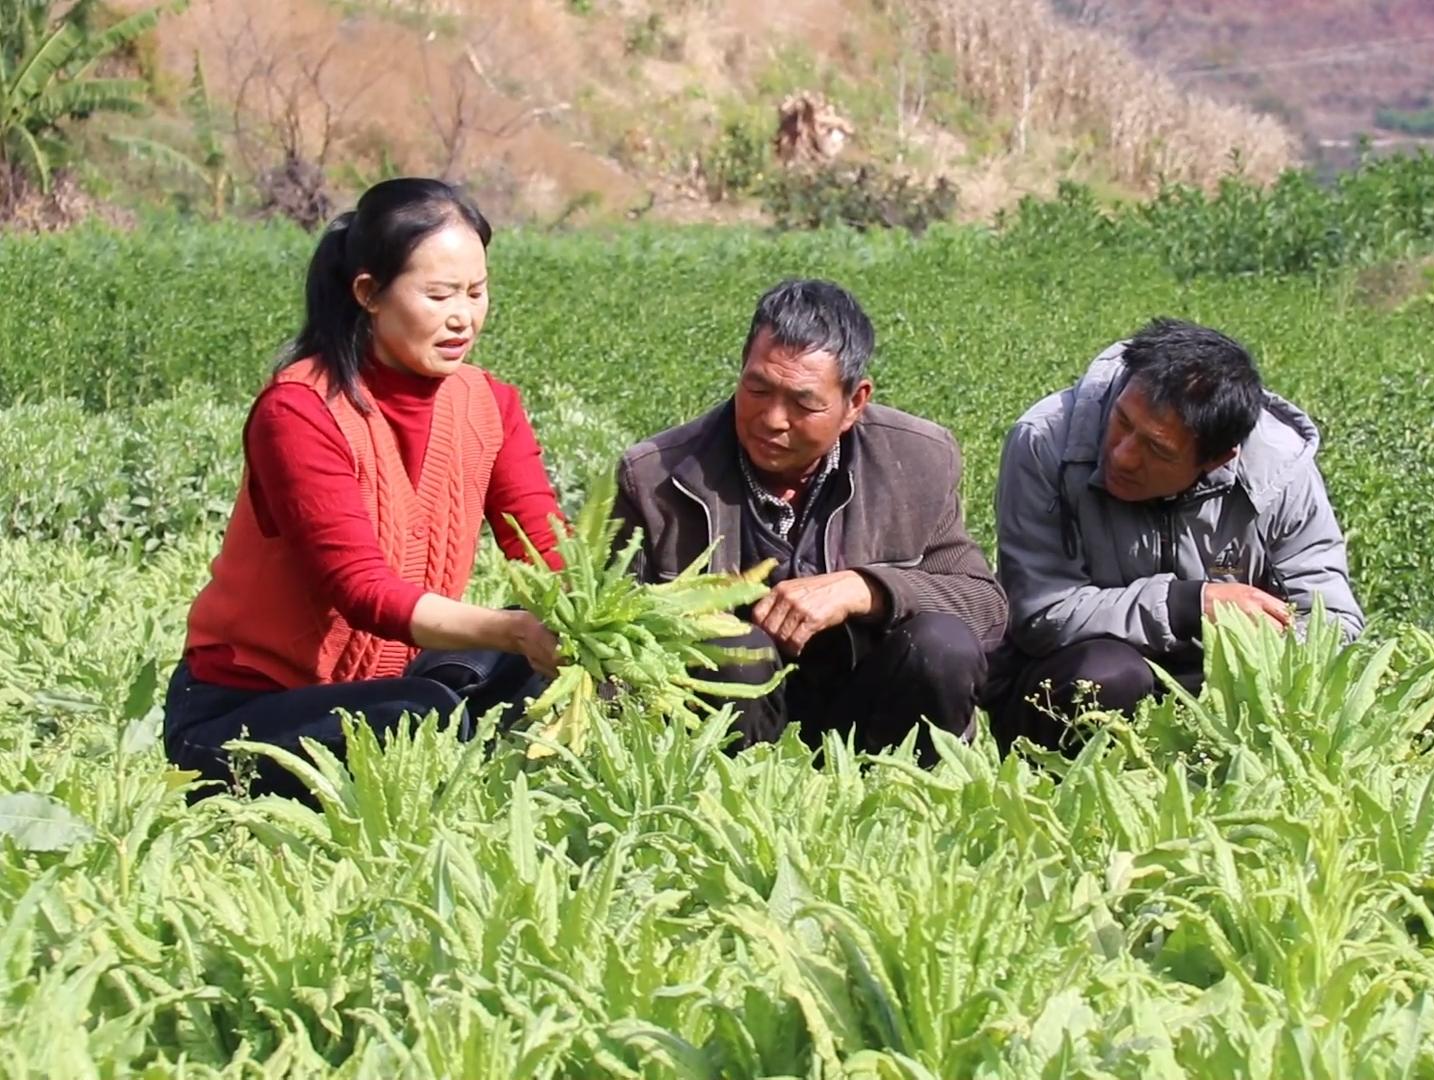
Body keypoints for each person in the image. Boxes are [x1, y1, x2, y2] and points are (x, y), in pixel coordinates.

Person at [164, 178, 566, 799]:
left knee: (521, 670)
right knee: (426, 715)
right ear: (369, 294)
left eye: (476, 292)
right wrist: (511, 626)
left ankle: (466, 761)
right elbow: (361, 590)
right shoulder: (300, 409)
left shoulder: (491, 404)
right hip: (245, 713)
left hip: (390, 687)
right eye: (438, 295)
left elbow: (542, 544)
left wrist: (592, 624)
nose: (463, 316)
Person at [612, 278, 1007, 752]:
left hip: (872, 707)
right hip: (726, 726)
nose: (773, 419)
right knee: (735, 650)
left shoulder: (918, 461)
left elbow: (984, 607)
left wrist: (869, 589)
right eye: (757, 389)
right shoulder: (656, 476)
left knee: (941, 645)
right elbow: (612, 632)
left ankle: (904, 795)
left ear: (854, 403)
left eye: (803, 403)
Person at [992, 317, 1363, 745]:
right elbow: (1040, 614)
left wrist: (1262, 642)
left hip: (1221, 689)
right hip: (1070, 676)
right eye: (1123, 422)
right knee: (1108, 675)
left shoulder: (1277, 472)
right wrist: (1186, 605)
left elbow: (1331, 621)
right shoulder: (1045, 441)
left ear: (1218, 459)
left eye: (1156, 449)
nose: (1123, 455)